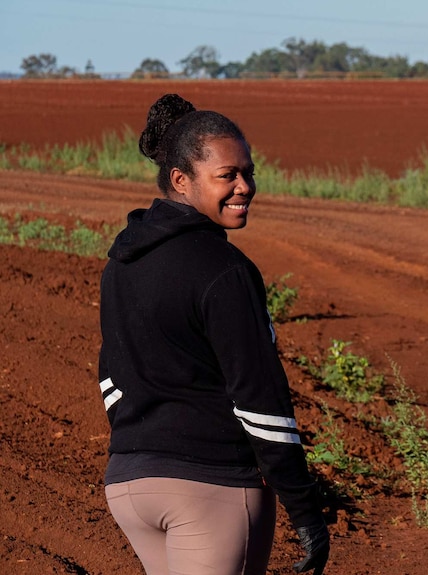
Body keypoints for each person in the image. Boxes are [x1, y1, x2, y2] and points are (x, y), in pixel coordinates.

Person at [98, 93, 329, 575]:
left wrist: (141, 438)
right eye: (228, 175)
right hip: (212, 489)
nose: (245, 186)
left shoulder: (122, 263)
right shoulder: (225, 270)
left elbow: (111, 374)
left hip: (129, 486)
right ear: (181, 180)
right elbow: (259, 396)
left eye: (248, 172)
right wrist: (304, 508)